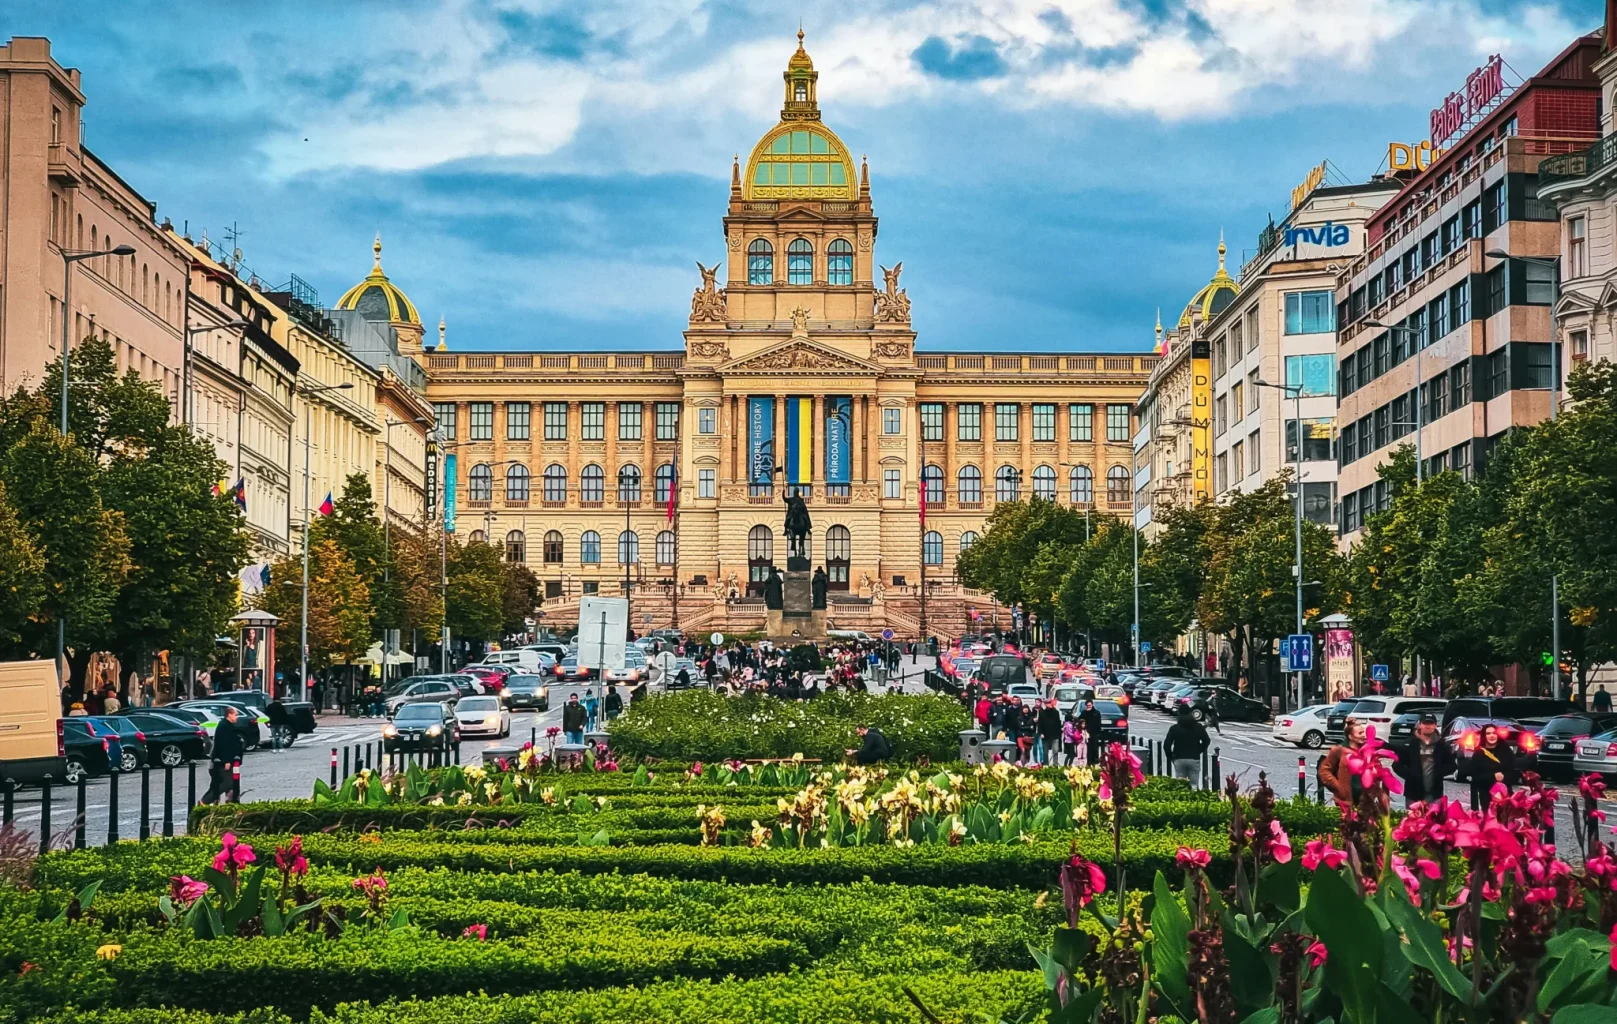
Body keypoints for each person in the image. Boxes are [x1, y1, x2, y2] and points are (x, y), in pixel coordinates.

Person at [1393, 712, 1453, 807]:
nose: (1427, 726)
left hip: (1435, 793)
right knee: (1412, 820)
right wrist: (1410, 775)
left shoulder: (1442, 744)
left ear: (1435, 726)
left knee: (1433, 820)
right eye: (1425, 723)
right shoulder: (1409, 743)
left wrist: (1439, 773)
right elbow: (1396, 764)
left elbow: (1452, 765)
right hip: (1412, 793)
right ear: (1420, 725)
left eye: (1430, 724)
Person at [1320, 718, 1368, 808]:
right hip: (1345, 802)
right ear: (1350, 736)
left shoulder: (1366, 751)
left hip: (1365, 802)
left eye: (1364, 732)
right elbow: (1324, 771)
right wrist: (1339, 787)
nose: (1364, 736)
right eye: (1360, 733)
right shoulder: (1339, 750)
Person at [201, 706, 245, 804]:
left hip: (223, 760)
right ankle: (206, 801)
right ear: (229, 715)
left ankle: (226, 802)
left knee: (218, 783)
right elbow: (224, 745)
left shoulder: (227, 726)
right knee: (228, 783)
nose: (237, 717)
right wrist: (227, 761)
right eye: (235, 715)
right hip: (222, 761)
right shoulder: (224, 726)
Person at [1470, 723, 1517, 813]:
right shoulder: (1479, 753)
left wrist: (1504, 777)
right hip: (1487, 797)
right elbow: (1475, 778)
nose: (1492, 736)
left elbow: (1514, 772)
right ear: (1484, 736)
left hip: (1505, 796)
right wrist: (1493, 777)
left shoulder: (1506, 751)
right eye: (1488, 734)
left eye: (1494, 733)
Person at [1164, 706, 1210, 787]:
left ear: (1179, 713)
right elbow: (1207, 740)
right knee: (1194, 785)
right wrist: (1199, 750)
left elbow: (1167, 745)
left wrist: (1171, 757)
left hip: (1179, 758)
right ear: (1190, 713)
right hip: (1194, 757)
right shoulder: (1198, 727)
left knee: (1181, 785)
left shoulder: (1174, 728)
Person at [1036, 699, 1062, 765]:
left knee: (1055, 751)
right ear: (1045, 704)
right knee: (1045, 752)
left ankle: (1055, 765)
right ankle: (1046, 765)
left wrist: (1059, 734)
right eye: (1047, 703)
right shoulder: (1042, 713)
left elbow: (1058, 723)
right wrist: (1041, 733)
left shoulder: (1056, 712)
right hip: (1045, 735)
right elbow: (1040, 724)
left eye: (1049, 703)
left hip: (1054, 735)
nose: (1048, 704)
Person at [1081, 700, 1103, 767]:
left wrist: (1099, 733)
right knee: (1088, 748)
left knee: (1094, 747)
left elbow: (1098, 723)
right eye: (1087, 705)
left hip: (1094, 733)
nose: (1089, 707)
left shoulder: (1096, 713)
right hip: (1086, 733)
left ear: (1092, 705)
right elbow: (1081, 720)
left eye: (1090, 705)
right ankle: (1089, 762)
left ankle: (1095, 760)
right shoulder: (1084, 712)